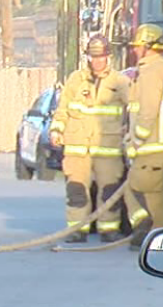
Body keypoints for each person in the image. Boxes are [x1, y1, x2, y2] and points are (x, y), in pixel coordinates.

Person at [49, 35, 130, 243]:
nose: (97, 61)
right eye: (94, 57)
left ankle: (108, 229)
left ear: (108, 57)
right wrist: (56, 130)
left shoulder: (120, 82)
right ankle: (77, 230)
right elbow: (63, 109)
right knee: (76, 190)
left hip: (108, 147)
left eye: (101, 57)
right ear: (88, 58)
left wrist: (129, 132)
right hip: (77, 147)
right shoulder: (76, 80)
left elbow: (134, 109)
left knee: (109, 191)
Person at [123, 23, 163, 250]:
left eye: (139, 47)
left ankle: (150, 230)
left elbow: (147, 111)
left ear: (148, 46)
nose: (135, 50)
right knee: (154, 191)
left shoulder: (151, 71)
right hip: (162, 144)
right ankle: (158, 236)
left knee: (135, 187)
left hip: (152, 145)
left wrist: (136, 141)